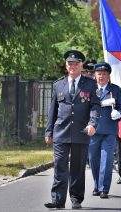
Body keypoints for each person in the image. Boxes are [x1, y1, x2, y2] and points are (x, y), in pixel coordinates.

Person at [44, 50, 99, 209]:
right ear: (66, 65)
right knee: (60, 166)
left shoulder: (90, 84)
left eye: (76, 63)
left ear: (81, 65)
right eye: (70, 63)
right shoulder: (58, 84)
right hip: (61, 132)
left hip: (81, 132)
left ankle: (76, 199)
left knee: (77, 168)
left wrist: (93, 123)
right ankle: (58, 200)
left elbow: (95, 106)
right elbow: (52, 111)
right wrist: (49, 132)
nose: (72, 66)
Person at [89, 62, 121, 199]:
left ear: (109, 76)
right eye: (99, 74)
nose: (101, 76)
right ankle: (96, 185)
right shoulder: (90, 89)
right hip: (93, 129)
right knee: (93, 159)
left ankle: (104, 188)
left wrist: (119, 113)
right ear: (95, 75)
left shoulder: (115, 90)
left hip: (109, 129)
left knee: (107, 159)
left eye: (104, 74)